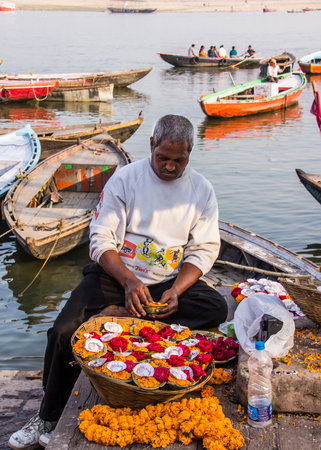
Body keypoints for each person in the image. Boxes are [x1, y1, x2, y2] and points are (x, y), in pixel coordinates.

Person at [8, 115, 228, 450]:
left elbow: (204, 249)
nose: (169, 167)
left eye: (178, 160)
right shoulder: (125, 179)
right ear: (151, 146)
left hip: (165, 280)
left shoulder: (201, 190)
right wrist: (128, 282)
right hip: (117, 276)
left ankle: (124, 318)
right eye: (163, 158)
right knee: (64, 330)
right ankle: (47, 416)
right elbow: (100, 240)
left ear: (190, 154)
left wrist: (175, 290)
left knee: (216, 306)